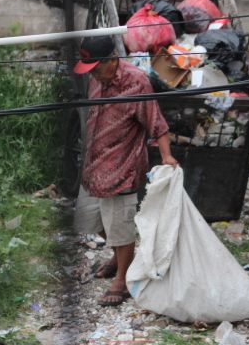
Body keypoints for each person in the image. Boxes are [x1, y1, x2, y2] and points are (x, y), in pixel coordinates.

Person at [72, 35, 178, 307]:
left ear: (112, 60)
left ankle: (123, 278)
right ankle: (120, 256)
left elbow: (157, 123)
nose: (93, 74)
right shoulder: (98, 78)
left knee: (120, 226)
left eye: (96, 67)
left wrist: (167, 156)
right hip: (94, 166)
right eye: (90, 68)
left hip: (122, 167)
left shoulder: (136, 82)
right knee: (90, 222)